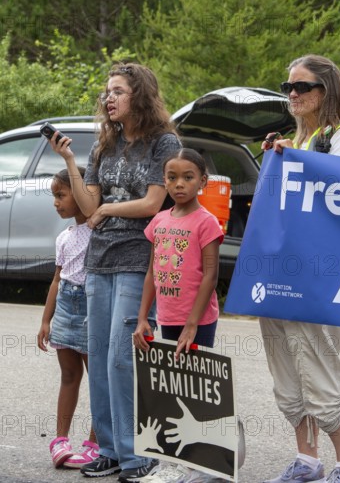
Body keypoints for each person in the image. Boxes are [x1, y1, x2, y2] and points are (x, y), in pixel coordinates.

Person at [48, 62, 182, 481]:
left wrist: (106, 208)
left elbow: (153, 203)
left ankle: (137, 455)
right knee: (103, 357)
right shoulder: (103, 145)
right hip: (99, 260)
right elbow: (88, 208)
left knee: (125, 359)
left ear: (139, 96)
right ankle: (107, 449)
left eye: (118, 91)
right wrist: (70, 158)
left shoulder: (164, 142)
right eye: (106, 92)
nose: (109, 98)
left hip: (138, 258)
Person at [260, 54, 340, 483]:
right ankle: (307, 459)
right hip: (280, 271)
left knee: (317, 363)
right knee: (285, 368)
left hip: (316, 274)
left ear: (328, 89)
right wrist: (278, 156)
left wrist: (294, 163)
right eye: (288, 88)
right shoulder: (298, 140)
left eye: (302, 86)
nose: (293, 94)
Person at [133, 148, 224, 483]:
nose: (179, 184)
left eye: (188, 177)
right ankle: (172, 460)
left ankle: (208, 464)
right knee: (171, 389)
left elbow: (210, 275)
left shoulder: (206, 222)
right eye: (172, 177)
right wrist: (143, 318)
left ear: (203, 180)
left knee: (197, 389)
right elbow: (151, 273)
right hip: (167, 318)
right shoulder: (159, 220)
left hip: (197, 321)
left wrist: (191, 325)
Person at [37, 167, 99, 469]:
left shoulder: (99, 230)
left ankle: (96, 442)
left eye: (61, 195)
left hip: (91, 308)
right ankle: (60, 440)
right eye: (54, 196)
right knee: (69, 376)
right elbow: (57, 280)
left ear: (79, 195)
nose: (56, 202)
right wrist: (46, 320)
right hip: (66, 308)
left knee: (98, 379)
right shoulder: (64, 237)